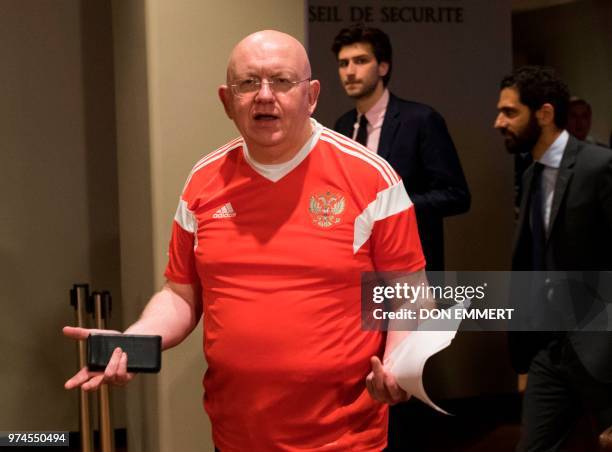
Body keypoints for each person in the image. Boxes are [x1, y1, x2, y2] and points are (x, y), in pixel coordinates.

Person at [63, 30, 428, 450]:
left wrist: (401, 365)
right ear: (226, 100)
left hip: (344, 438)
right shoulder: (203, 182)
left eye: (282, 81)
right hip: (236, 435)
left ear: (311, 96)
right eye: (248, 83)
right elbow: (181, 294)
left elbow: (408, 294)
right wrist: (137, 338)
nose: (264, 96)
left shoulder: (371, 178)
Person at [494, 65, 612, 451]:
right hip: (549, 348)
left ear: (543, 114)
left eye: (510, 112)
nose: (499, 122)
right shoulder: (530, 175)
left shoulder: (598, 166)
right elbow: (533, 263)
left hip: (600, 344)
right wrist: (526, 352)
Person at [331, 25, 470, 272]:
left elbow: (456, 196)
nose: (350, 72)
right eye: (343, 64)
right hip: (356, 265)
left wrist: (390, 209)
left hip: (411, 264)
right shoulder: (341, 125)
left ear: (383, 67)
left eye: (360, 61)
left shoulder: (420, 120)